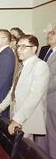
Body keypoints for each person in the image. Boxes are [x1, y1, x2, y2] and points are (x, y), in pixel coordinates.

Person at [0, 35, 49, 145]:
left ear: (34, 48)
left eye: (23, 47)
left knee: (23, 149)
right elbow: (13, 91)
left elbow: (35, 96)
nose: (18, 50)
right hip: (17, 114)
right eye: (18, 46)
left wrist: (18, 119)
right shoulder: (23, 65)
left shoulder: (40, 65)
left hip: (27, 117)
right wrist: (0, 107)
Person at [41, 28, 56, 158]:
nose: (49, 35)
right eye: (50, 32)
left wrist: (39, 91)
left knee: (53, 135)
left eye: (54, 33)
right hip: (44, 99)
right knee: (44, 134)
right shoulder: (47, 51)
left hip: (52, 100)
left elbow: (54, 82)